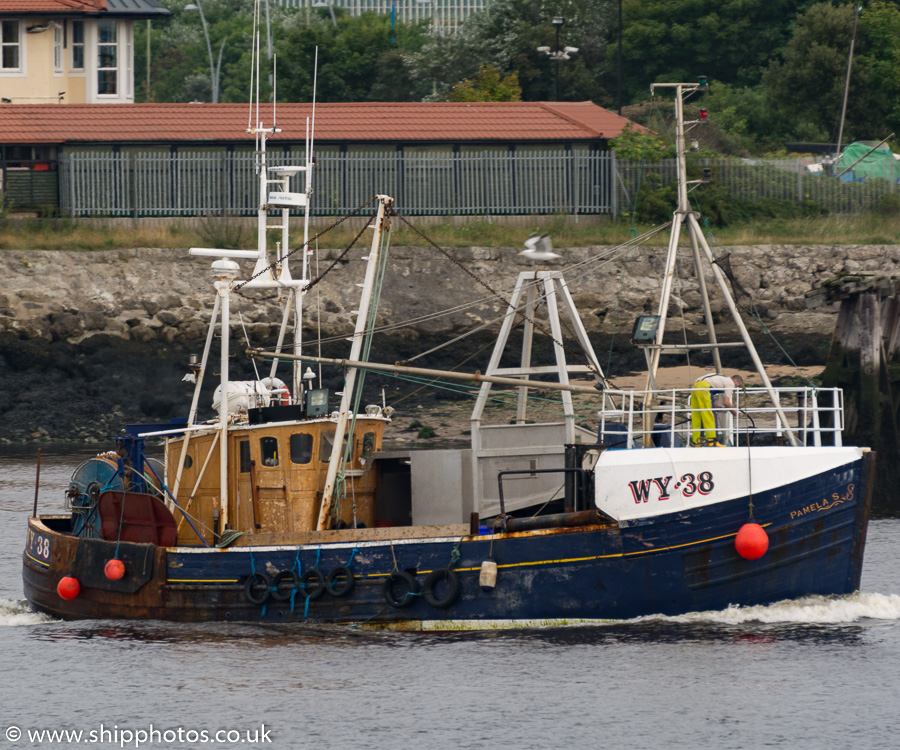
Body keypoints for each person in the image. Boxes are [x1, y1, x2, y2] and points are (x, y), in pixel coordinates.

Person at [690, 373, 743, 446]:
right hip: (705, 388)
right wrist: (734, 412)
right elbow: (726, 402)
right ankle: (713, 442)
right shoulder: (730, 383)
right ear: (736, 381)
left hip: (696, 386)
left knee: (697, 416)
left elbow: (711, 395)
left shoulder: (721, 379)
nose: (736, 387)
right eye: (737, 385)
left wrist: (716, 405)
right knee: (710, 415)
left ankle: (698, 442)